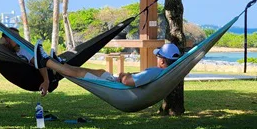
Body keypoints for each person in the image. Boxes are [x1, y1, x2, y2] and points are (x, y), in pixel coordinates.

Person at [34, 41, 181, 87]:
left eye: (158, 56)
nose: (156, 59)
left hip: (118, 88)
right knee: (95, 70)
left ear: (162, 60)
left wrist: (124, 74)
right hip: (115, 83)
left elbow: (129, 81)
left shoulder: (155, 71)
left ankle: (46, 62)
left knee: (81, 74)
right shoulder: (165, 73)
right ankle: (58, 66)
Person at [0, 28, 50, 95]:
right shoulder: (3, 50)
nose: (18, 41)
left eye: (19, 38)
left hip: (35, 78)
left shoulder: (22, 50)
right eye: (15, 38)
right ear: (7, 39)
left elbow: (40, 63)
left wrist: (46, 80)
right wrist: (2, 40)